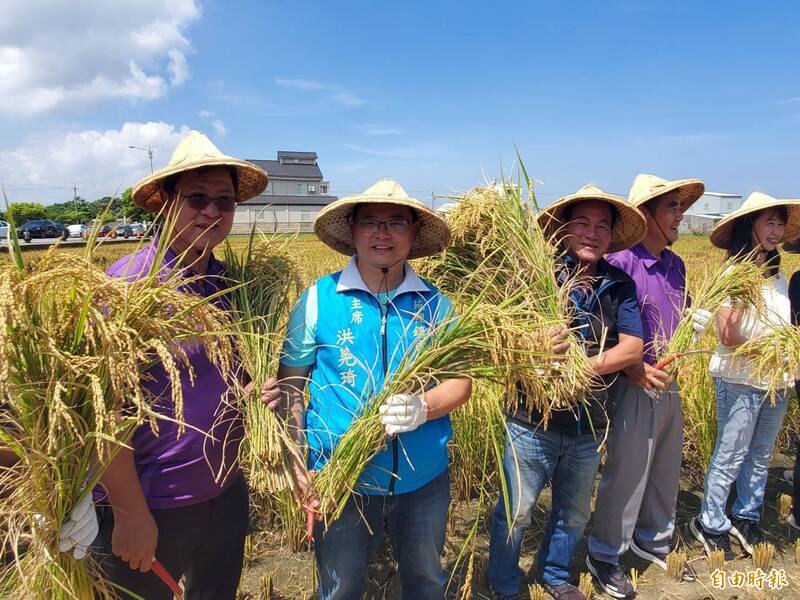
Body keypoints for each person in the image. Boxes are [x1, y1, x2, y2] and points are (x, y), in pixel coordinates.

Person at [89, 131, 280, 599]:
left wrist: (254, 393)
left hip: (223, 491)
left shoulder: (228, 283)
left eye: (225, 200)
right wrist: (131, 515)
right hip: (155, 501)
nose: (212, 211)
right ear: (165, 202)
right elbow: (100, 411)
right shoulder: (131, 285)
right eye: (197, 197)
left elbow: (227, 375)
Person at [272, 179, 472, 600]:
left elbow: (461, 383)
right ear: (353, 232)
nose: (383, 233)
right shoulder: (317, 300)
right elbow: (291, 386)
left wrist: (424, 406)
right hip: (341, 480)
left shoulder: (436, 306)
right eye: (371, 222)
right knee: (339, 587)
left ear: (413, 234)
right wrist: (295, 456)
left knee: (426, 582)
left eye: (396, 222)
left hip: (423, 479)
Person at [486, 186, 646, 600]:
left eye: (601, 227)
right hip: (531, 419)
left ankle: (555, 575)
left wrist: (583, 367)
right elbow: (504, 335)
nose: (592, 234)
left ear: (611, 237)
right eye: (582, 224)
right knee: (516, 510)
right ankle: (504, 581)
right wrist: (534, 342)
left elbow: (632, 347)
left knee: (574, 511)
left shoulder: (618, 285)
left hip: (589, 422)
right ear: (563, 230)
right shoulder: (537, 277)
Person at [585, 174, 710, 598]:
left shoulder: (676, 264)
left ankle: (654, 539)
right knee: (628, 470)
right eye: (671, 207)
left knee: (665, 466)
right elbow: (609, 328)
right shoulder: (624, 262)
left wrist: (694, 326)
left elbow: (676, 315)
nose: (680, 215)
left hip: (669, 381)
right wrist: (632, 370)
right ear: (647, 214)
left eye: (680, 206)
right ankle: (604, 552)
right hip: (633, 382)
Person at [691, 193, 800, 558]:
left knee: (760, 453)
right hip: (740, 379)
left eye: (780, 223)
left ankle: (746, 515)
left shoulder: (778, 275)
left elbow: (781, 324)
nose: (776, 230)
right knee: (730, 453)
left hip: (777, 382)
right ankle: (711, 520)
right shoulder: (732, 274)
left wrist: (785, 350)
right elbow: (727, 335)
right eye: (769, 221)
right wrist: (775, 346)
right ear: (750, 225)